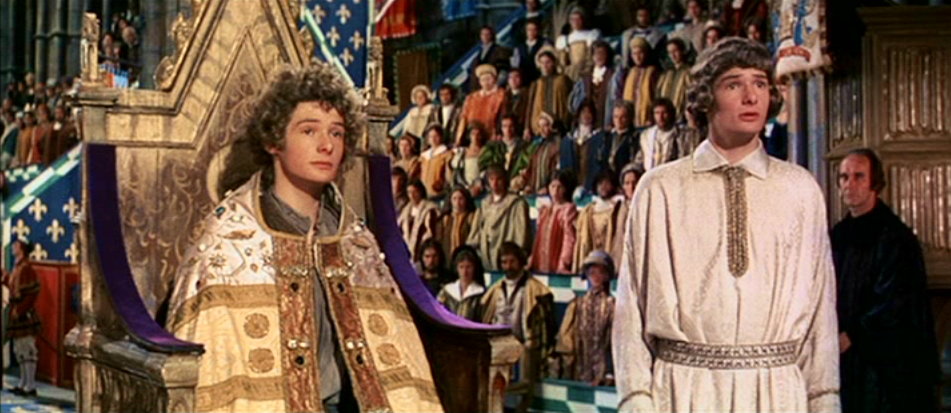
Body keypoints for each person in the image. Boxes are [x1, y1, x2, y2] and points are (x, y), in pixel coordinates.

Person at [166, 64, 442, 412]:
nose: (326, 145)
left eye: (337, 133)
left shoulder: (356, 240)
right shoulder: (230, 239)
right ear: (274, 140)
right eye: (309, 130)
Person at [613, 38, 840, 412]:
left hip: (777, 393)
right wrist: (636, 398)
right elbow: (630, 307)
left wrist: (824, 398)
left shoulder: (799, 189)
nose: (751, 97)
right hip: (685, 392)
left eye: (760, 83)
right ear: (706, 98)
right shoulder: (661, 188)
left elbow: (821, 310)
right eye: (734, 84)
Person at [832, 149, 939, 413]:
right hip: (847, 358)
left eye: (859, 176)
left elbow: (895, 301)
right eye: (844, 177)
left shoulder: (896, 238)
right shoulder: (838, 236)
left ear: (875, 183)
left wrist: (853, 334)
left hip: (887, 364)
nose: (849, 184)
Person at [480, 242, 554, 413]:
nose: (508, 266)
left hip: (524, 348)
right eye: (504, 262)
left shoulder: (536, 289)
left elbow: (546, 327)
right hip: (499, 347)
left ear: (521, 261)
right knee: (495, 390)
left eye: (512, 261)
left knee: (523, 391)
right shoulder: (495, 289)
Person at [551, 250, 615, 385]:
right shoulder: (578, 304)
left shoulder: (612, 304)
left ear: (607, 275)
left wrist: (610, 372)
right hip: (580, 368)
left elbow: (614, 340)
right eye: (592, 273)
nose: (596, 277)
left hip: (603, 369)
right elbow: (567, 339)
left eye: (600, 272)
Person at [467, 166, 532, 271]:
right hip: (486, 254)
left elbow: (521, 233)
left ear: (505, 180)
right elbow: (477, 231)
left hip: (507, 254)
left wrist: (518, 253)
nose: (495, 183)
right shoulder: (484, 204)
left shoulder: (517, 203)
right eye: (491, 179)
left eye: (499, 179)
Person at [2, 241, 41, 397]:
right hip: (16, 312)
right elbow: (14, 287)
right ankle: (23, 383)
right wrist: (5, 277)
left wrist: (21, 309)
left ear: (22, 249)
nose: (13, 247)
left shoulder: (26, 268)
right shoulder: (17, 267)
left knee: (27, 348)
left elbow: (32, 292)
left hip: (23, 314)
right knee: (19, 350)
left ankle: (30, 385)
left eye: (16, 245)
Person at [574, 169, 623, 272]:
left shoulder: (618, 209)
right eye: (600, 183)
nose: (603, 187)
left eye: (607, 183)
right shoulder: (588, 210)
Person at [529, 170, 578, 274]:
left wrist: (563, 263)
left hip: (557, 260)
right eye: (553, 186)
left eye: (560, 187)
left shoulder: (568, 209)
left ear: (566, 189)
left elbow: (569, 239)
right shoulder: (545, 210)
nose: (555, 191)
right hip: (541, 261)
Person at [569, 40, 618, 130]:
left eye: (602, 53)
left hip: (606, 120)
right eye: (596, 53)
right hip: (588, 122)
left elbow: (615, 99)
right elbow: (575, 103)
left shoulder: (613, 75)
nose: (599, 56)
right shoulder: (585, 77)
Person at [525, 49, 572, 137]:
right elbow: (530, 106)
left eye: (548, 62)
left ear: (553, 63)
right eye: (542, 63)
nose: (545, 65)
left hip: (559, 125)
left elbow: (569, 102)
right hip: (539, 126)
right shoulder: (536, 83)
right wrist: (527, 127)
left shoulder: (562, 80)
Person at [632, 98, 688, 172]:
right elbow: (639, 159)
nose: (660, 117)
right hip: (650, 174)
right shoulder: (647, 135)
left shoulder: (681, 135)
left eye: (664, 113)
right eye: (657, 113)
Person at [458, 64, 507, 143]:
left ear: (494, 79)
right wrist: (459, 137)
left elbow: (503, 115)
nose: (486, 82)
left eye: (488, 79)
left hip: (492, 136)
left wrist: (499, 132)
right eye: (483, 80)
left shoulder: (501, 94)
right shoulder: (471, 97)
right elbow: (464, 118)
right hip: (472, 136)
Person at [515, 113, 561, 194]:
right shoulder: (538, 145)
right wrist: (529, 184)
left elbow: (557, 170)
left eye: (545, 126)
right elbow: (532, 166)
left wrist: (548, 187)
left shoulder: (557, 145)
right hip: (536, 189)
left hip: (551, 190)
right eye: (540, 126)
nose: (542, 129)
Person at [437, 245, 486, 321]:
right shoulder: (446, 292)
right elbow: (438, 313)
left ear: (474, 268)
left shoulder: (481, 294)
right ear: (456, 268)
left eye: (468, 267)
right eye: (461, 267)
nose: (465, 272)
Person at [620, 37, 659, 128]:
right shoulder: (631, 72)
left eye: (640, 53)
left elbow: (656, 96)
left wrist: (651, 117)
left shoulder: (653, 72)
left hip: (647, 120)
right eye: (634, 54)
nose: (637, 57)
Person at [555, 7, 602, 82]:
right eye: (573, 19)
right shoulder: (566, 39)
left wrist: (587, 70)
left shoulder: (591, 35)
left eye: (578, 19)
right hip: (571, 74)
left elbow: (592, 56)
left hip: (588, 72)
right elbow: (562, 62)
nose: (575, 22)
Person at [398, 179, 440, 262]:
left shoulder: (429, 209)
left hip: (422, 252)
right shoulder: (406, 210)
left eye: (415, 192)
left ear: (421, 192)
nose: (412, 195)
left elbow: (431, 232)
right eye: (409, 192)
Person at [609, 164, 642, 260]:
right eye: (627, 183)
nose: (631, 187)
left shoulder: (647, 206)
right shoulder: (618, 207)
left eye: (635, 182)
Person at [655, 38, 691, 120]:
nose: (673, 55)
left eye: (675, 51)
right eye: (670, 52)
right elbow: (658, 94)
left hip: (681, 117)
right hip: (664, 118)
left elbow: (691, 95)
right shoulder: (666, 73)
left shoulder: (688, 71)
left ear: (682, 51)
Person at [437, 186, 476, 258]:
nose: (457, 202)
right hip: (447, 257)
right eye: (454, 199)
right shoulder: (445, 219)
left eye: (461, 198)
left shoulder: (472, 217)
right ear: (450, 201)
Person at [469, 26, 511, 92]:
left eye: (487, 34)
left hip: (494, 89)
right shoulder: (479, 52)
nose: (485, 36)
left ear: (492, 35)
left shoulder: (499, 51)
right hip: (479, 89)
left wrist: (497, 85)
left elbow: (504, 71)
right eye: (483, 34)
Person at [510, 19, 551, 86]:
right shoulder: (519, 47)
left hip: (539, 77)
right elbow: (516, 64)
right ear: (525, 31)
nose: (531, 32)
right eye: (529, 29)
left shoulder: (543, 43)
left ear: (537, 31)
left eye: (534, 29)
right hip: (524, 79)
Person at [419, 124, 453, 198]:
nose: (433, 139)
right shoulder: (423, 156)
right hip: (423, 194)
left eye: (436, 136)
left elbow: (449, 176)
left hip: (439, 193)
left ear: (441, 137)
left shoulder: (447, 154)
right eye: (431, 136)